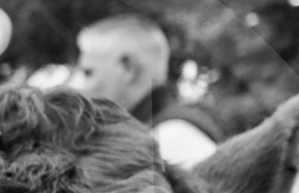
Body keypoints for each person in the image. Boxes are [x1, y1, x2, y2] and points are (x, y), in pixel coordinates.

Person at [71, 14, 223, 166]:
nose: (77, 85)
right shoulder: (151, 136)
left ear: (127, 68)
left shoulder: (172, 139)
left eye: (88, 73)